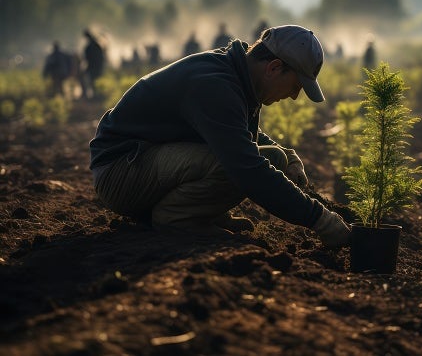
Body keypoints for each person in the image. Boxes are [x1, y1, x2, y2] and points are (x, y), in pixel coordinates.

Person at [89, 24, 350, 249]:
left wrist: (288, 156)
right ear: (273, 68)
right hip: (121, 170)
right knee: (238, 165)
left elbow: (233, 130)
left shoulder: (234, 73)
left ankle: (198, 214)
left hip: (144, 162)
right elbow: (247, 169)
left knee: (274, 158)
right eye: (295, 86)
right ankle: (178, 218)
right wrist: (321, 221)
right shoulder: (215, 85)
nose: (294, 96)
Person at [81, 29, 106, 99]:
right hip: (97, 67)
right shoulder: (96, 45)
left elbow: (86, 58)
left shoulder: (90, 46)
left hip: (93, 67)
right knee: (96, 81)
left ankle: (95, 96)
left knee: (93, 81)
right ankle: (97, 95)